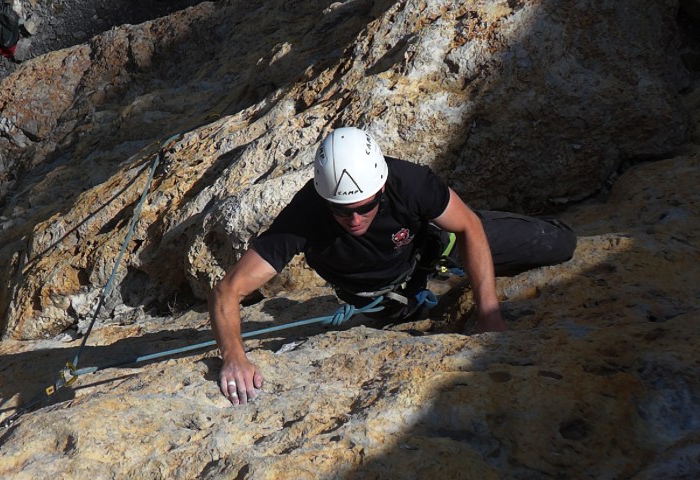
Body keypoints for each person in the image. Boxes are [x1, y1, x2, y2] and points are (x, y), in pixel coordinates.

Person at [208, 126, 577, 405]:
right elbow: (228, 290)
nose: (353, 220)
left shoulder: (409, 183)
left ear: (382, 189)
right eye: (340, 210)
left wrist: (490, 315)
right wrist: (235, 358)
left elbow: (468, 226)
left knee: (560, 244)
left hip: (437, 250)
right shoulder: (305, 213)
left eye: (364, 208)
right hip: (384, 298)